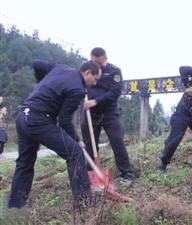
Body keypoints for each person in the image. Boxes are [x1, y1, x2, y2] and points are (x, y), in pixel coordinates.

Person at [8, 61, 101, 209]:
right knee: (75, 154)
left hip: (23, 116)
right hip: (39, 120)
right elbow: (64, 120)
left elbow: (37, 64)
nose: (94, 83)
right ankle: (84, 202)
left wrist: (41, 83)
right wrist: (77, 140)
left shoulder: (61, 68)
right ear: (88, 73)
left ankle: (15, 206)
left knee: (24, 163)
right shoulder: (78, 89)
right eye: (95, 79)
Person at [81, 47, 136, 182]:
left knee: (117, 141)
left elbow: (115, 92)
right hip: (91, 114)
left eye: (99, 63)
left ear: (105, 58)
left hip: (109, 113)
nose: (97, 66)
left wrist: (96, 101)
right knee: (89, 145)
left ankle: (126, 173)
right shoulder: (87, 69)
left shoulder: (114, 71)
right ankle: (91, 175)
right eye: (94, 63)